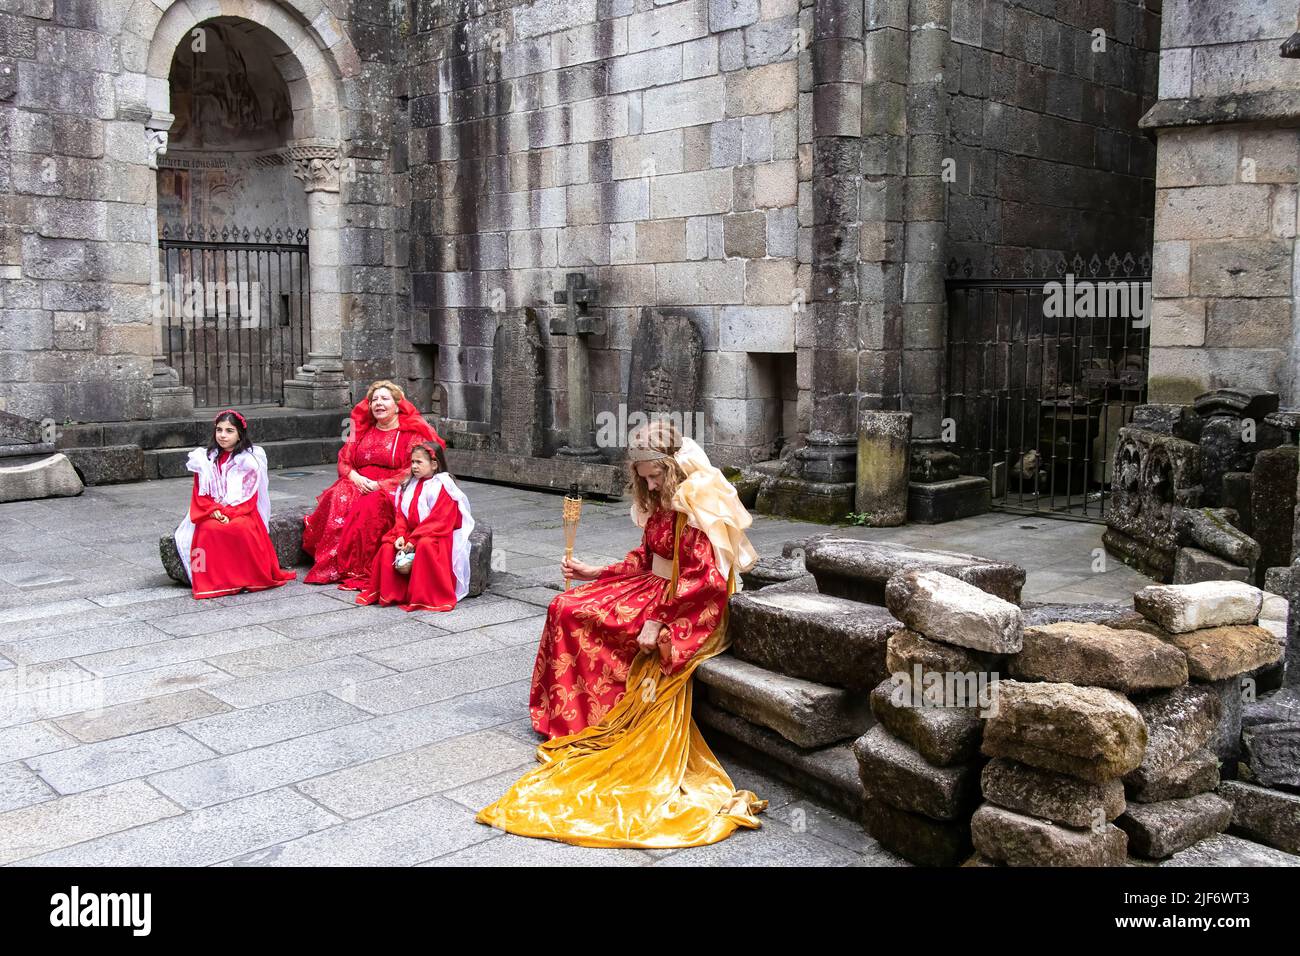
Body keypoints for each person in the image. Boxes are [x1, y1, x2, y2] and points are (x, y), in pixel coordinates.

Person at [477, 420, 766, 848]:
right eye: (643, 475)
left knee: (598, 619)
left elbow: (702, 579)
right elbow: (648, 556)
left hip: (684, 604)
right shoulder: (660, 498)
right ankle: (568, 718)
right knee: (564, 606)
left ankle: (601, 717)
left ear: (673, 466)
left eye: (654, 474)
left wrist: (660, 620)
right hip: (652, 585)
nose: (648, 483)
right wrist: (596, 572)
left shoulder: (695, 500)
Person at [302, 379, 444, 589]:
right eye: (374, 400)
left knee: (370, 507)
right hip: (359, 480)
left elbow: (412, 469)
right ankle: (332, 562)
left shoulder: (410, 434)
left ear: (397, 405)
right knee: (337, 495)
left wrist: (381, 485)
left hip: (392, 487)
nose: (378, 403)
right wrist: (355, 478)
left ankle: (356, 567)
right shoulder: (361, 430)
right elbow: (344, 461)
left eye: (385, 399)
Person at [173, 410, 296, 599]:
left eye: (229, 431)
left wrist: (229, 513)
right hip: (210, 511)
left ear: (240, 434)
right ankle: (213, 583)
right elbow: (200, 493)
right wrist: (213, 511)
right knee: (207, 529)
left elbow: (249, 498)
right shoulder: (205, 459)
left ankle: (243, 579)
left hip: (242, 512)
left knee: (239, 528)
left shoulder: (249, 460)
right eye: (219, 430)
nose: (223, 435)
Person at [355, 441, 475, 612]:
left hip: (436, 534)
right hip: (412, 533)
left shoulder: (443, 486)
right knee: (388, 547)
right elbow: (401, 515)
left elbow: (440, 520)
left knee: (426, 546)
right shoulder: (408, 484)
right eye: (412, 462)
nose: (414, 466)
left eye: (419, 462)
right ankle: (394, 593)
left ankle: (423, 596)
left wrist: (415, 539)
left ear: (434, 464)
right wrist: (401, 535)